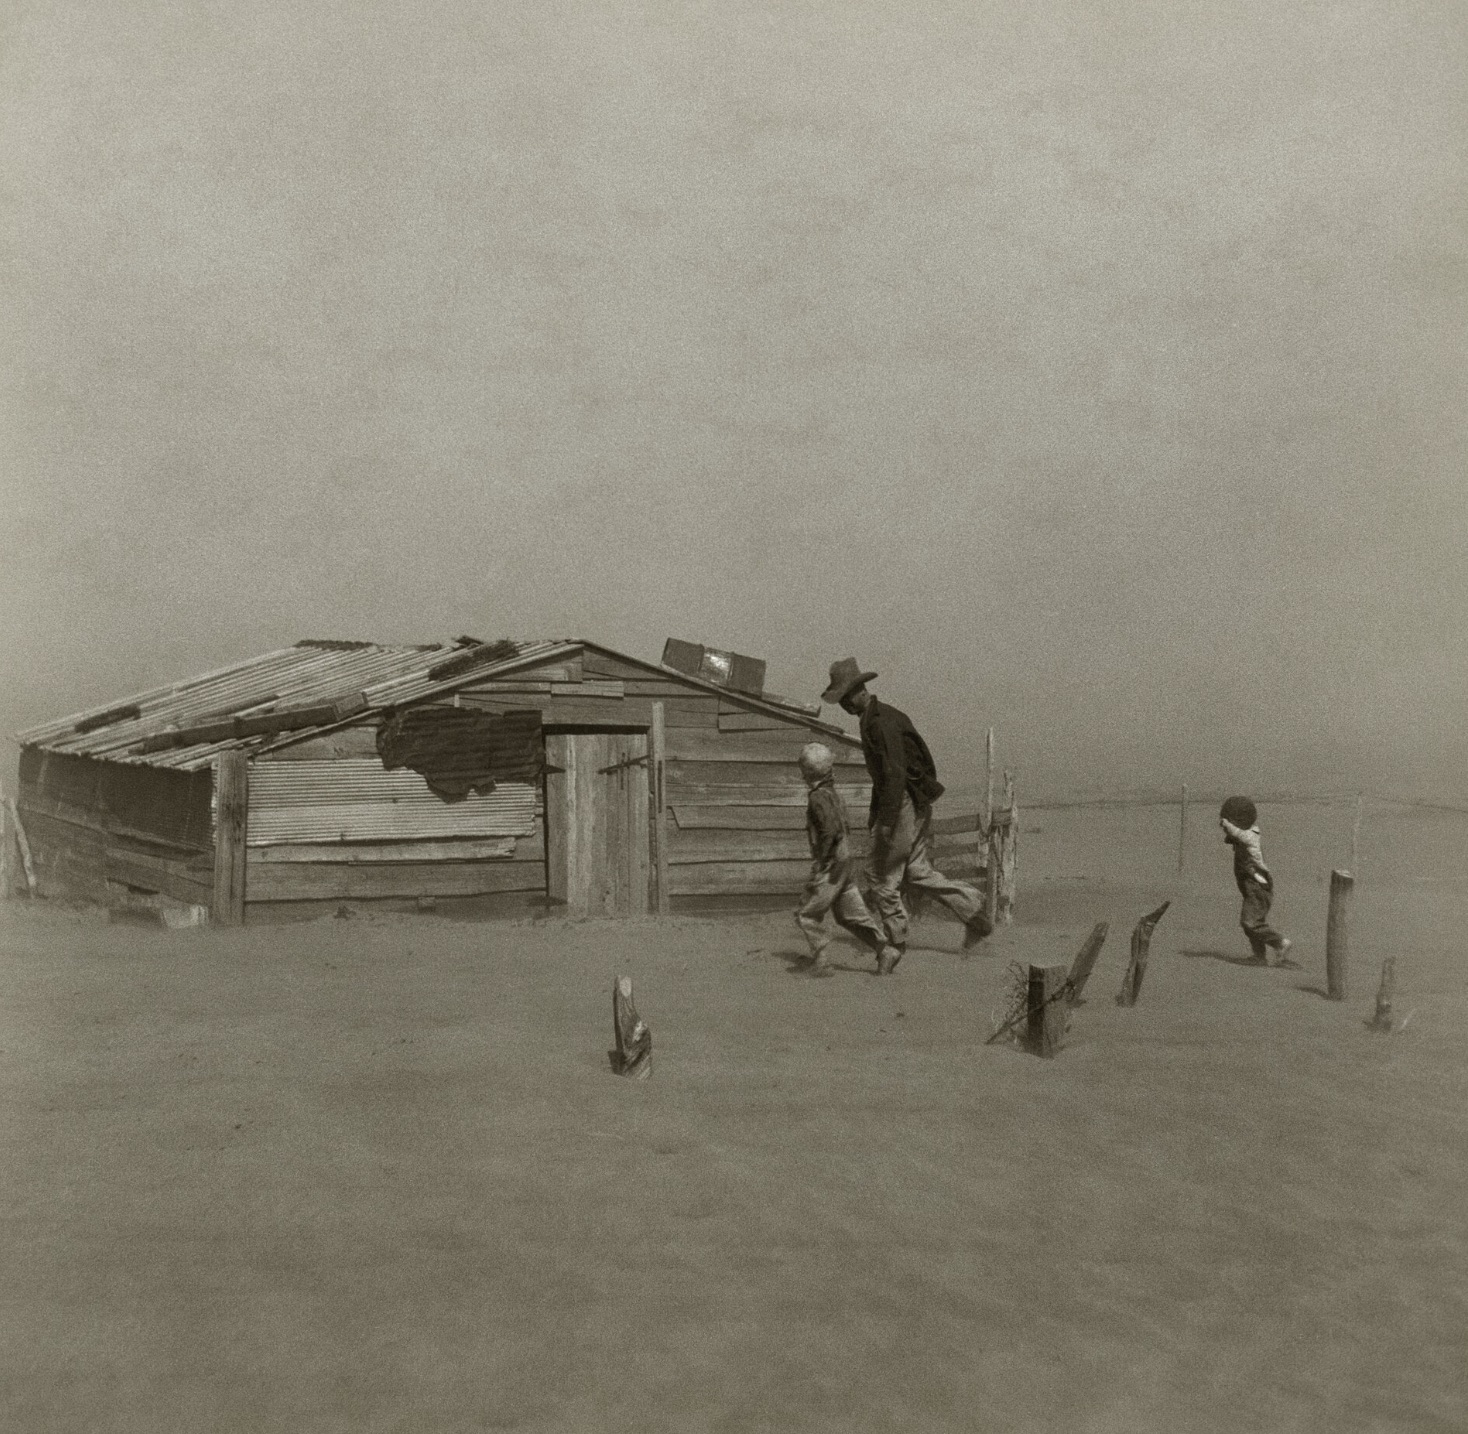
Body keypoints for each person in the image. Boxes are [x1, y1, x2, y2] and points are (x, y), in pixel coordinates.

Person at [820, 658, 991, 973]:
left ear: (860, 691)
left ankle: (894, 944)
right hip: (908, 802)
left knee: (880, 875)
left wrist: (886, 823)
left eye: (846, 697)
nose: (844, 705)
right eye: (840, 700)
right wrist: (877, 814)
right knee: (918, 872)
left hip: (903, 803)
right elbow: (885, 777)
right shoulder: (875, 717)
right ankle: (974, 913)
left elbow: (894, 774)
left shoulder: (880, 722)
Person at [793, 742, 897, 974]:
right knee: (849, 914)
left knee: (806, 913)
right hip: (845, 860)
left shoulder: (817, 797)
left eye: (803, 770)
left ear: (807, 772)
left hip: (832, 863)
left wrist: (822, 862)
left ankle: (821, 961)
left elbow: (830, 831)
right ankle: (885, 950)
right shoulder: (835, 795)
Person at [1218, 796, 1293, 965]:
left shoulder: (1251, 836)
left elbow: (1238, 834)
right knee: (1253, 924)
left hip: (1258, 886)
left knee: (1250, 923)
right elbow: (1233, 836)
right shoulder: (1242, 835)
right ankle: (1259, 956)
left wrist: (1226, 823)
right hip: (1250, 886)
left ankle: (1280, 943)